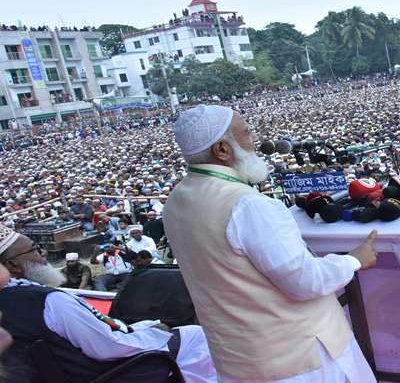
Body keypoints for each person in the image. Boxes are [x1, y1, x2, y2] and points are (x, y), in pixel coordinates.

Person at [163, 105, 378, 383]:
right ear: (222, 150)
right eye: (247, 133)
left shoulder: (174, 202)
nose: (255, 141)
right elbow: (305, 281)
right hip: (302, 360)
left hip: (238, 362)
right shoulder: (248, 204)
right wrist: (353, 260)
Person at [0, 226, 217, 382]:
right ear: (13, 265)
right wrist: (153, 330)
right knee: (195, 336)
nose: (43, 253)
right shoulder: (49, 301)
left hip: (66, 373)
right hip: (113, 372)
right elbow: (108, 347)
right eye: (35, 249)